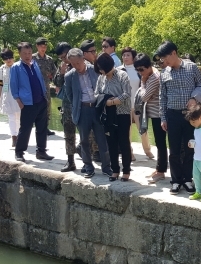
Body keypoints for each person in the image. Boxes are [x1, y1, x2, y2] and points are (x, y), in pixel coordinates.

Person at [155, 40, 201, 195]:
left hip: (191, 115)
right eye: (162, 59)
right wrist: (163, 117)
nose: (164, 61)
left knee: (191, 147)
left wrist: (194, 97)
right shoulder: (164, 73)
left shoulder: (191, 68)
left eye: (166, 57)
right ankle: (176, 181)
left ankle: (188, 179)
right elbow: (162, 97)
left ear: (174, 53)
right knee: (174, 150)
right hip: (173, 115)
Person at [63, 48, 112, 178]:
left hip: (97, 108)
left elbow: (103, 85)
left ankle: (107, 167)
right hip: (82, 110)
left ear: (83, 59)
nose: (76, 66)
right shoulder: (69, 76)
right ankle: (88, 167)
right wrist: (79, 104)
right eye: (73, 64)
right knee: (84, 140)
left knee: (102, 139)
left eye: (78, 63)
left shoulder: (94, 70)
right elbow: (69, 95)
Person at [9, 42, 53, 163]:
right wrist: (18, 99)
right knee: (26, 128)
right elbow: (13, 85)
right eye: (24, 53)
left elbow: (41, 80)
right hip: (28, 103)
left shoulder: (35, 64)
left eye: (29, 53)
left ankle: (41, 151)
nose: (27, 56)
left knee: (42, 128)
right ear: (19, 53)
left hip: (41, 100)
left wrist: (44, 96)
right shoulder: (16, 67)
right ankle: (19, 152)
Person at [94, 52, 132, 181]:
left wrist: (112, 102)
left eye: (102, 67)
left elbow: (127, 93)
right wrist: (105, 101)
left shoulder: (122, 75)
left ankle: (126, 170)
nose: (101, 71)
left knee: (123, 142)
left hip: (122, 113)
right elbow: (96, 94)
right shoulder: (101, 78)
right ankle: (115, 170)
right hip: (108, 115)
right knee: (111, 143)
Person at [134, 53, 168, 183]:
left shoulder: (153, 77)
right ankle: (160, 168)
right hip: (155, 114)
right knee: (160, 143)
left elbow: (144, 97)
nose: (140, 73)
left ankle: (161, 171)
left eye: (142, 69)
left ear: (148, 66)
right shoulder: (150, 75)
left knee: (161, 143)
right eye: (137, 70)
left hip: (159, 114)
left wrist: (142, 83)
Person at [118, 47, 154, 160]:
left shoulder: (138, 70)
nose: (125, 57)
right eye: (123, 55)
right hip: (124, 105)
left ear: (133, 57)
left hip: (138, 104)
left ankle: (147, 150)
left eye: (128, 55)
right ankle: (130, 153)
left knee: (142, 129)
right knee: (126, 131)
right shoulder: (119, 70)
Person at [53, 42, 78, 171]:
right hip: (67, 104)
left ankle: (86, 157)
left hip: (82, 103)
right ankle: (70, 161)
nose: (64, 59)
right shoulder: (63, 66)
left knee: (89, 134)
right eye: (61, 58)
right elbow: (56, 83)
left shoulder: (81, 63)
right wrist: (61, 73)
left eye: (65, 56)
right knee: (68, 133)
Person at [32, 37, 57, 136]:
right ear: (37, 46)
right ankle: (37, 127)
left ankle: (45, 128)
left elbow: (55, 72)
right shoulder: (32, 58)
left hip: (46, 88)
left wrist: (56, 84)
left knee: (47, 108)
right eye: (41, 46)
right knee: (35, 108)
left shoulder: (49, 59)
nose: (43, 48)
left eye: (45, 46)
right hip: (34, 87)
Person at [0, 48, 20, 148]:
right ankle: (13, 136)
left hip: (18, 94)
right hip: (7, 94)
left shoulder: (18, 67)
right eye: (6, 58)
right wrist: (0, 94)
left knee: (18, 116)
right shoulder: (2, 69)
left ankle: (19, 134)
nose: (8, 60)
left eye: (10, 57)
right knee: (11, 117)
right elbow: (1, 82)